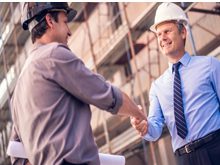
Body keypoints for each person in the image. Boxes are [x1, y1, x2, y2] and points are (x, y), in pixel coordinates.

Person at [9, 2, 146, 165]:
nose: (69, 31)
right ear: (50, 20)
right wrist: (139, 115)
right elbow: (108, 96)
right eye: (65, 22)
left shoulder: (19, 88)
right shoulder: (54, 54)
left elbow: (17, 156)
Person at [130, 2, 220, 165]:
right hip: (183, 159)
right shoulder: (157, 86)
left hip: (215, 149)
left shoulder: (210, 65)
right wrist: (144, 127)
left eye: (167, 31)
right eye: (158, 34)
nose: (162, 38)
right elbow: (155, 129)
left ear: (183, 32)